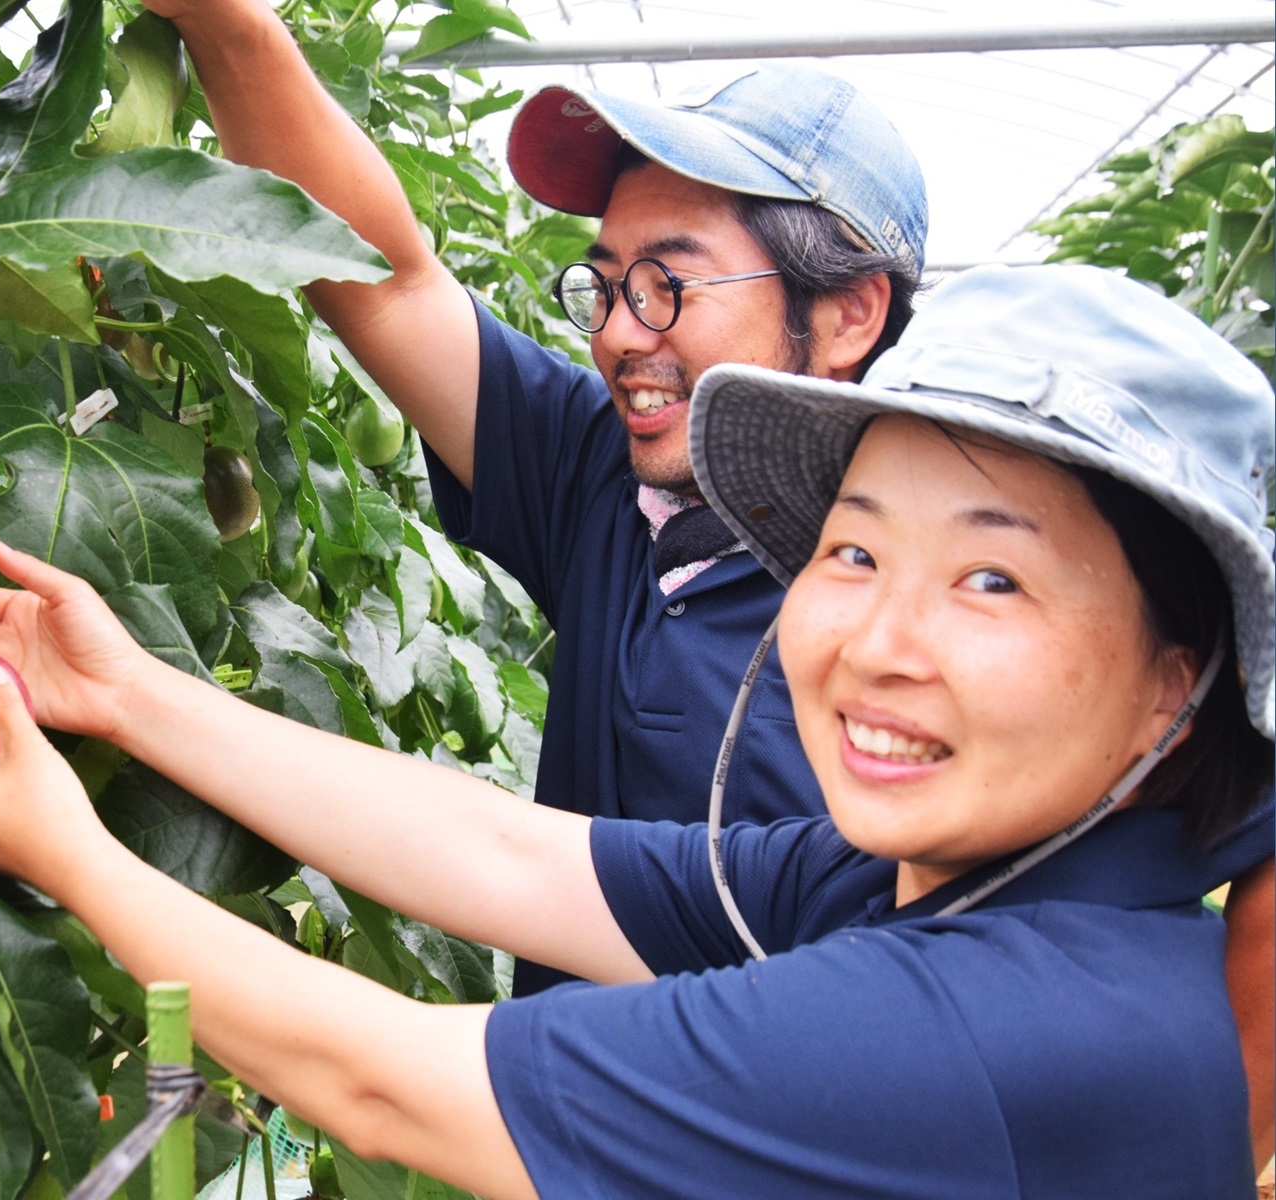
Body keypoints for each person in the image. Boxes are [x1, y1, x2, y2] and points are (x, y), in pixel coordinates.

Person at [134, 0, 1276, 1154]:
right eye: (608, 285)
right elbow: (380, 277)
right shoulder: (611, 479)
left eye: (671, 286)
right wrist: (229, 25)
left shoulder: (991, 981)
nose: (622, 334)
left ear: (847, 313)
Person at [0, 264, 1273, 1195]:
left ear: (1176, 681)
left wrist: (67, 853)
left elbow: (387, 1088)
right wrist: (126, 691)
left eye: (992, 579)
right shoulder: (959, 891)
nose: (875, 642)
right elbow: (512, 857)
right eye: (852, 555)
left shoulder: (997, 1030)